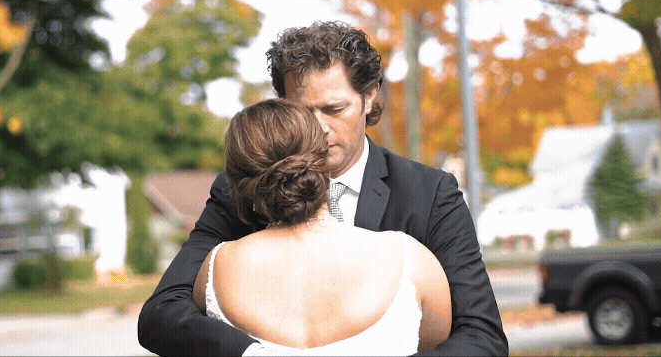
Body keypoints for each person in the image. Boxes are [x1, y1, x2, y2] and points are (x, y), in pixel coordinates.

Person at [138, 21, 507, 356]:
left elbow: (482, 337)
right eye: (302, 112)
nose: (317, 129)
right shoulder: (241, 190)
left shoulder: (430, 193)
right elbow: (161, 314)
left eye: (333, 109)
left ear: (370, 97)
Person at [193, 98, 452, 355]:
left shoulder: (216, 268)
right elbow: (433, 340)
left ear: (237, 182)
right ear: (322, 159)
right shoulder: (410, 259)